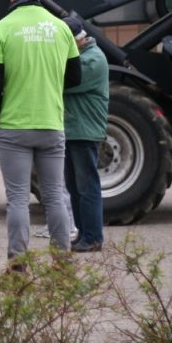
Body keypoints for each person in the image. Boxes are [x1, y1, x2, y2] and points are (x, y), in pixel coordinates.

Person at [0, 0, 81, 267]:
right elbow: (75, 78)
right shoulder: (62, 28)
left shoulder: (0, 29)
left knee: (18, 199)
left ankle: (17, 265)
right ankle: (62, 263)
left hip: (14, 127)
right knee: (54, 196)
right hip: (51, 123)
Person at [61, 15, 109, 253]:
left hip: (84, 130)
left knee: (87, 185)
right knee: (73, 185)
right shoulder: (82, 56)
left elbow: (65, 82)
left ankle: (93, 236)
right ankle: (83, 233)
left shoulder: (93, 60)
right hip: (72, 129)